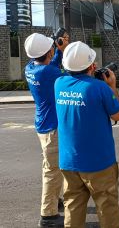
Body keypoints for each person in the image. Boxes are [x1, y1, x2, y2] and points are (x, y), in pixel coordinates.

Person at [54, 41, 119, 228]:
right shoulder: (99, 88)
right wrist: (111, 86)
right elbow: (117, 114)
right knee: (107, 207)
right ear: (92, 66)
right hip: (98, 163)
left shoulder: (58, 83)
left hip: (69, 162)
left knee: (73, 207)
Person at [24, 33, 66, 227]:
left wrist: (57, 49)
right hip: (52, 128)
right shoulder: (49, 73)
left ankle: (55, 199)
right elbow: (71, 74)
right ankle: (47, 215)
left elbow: (51, 64)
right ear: (48, 51)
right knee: (51, 170)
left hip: (42, 124)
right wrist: (61, 50)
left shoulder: (30, 68)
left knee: (54, 167)